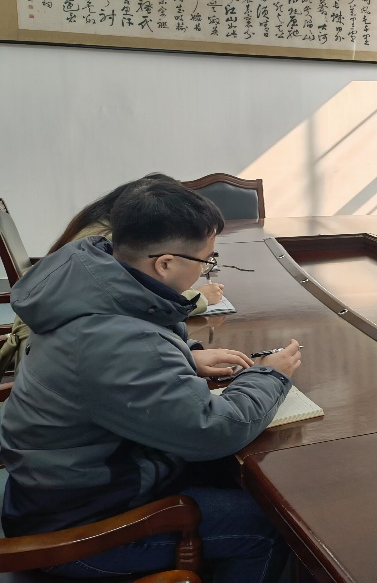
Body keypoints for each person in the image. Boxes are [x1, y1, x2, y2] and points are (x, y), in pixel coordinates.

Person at [0, 179, 300, 582]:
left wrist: (186, 355)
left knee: (233, 481)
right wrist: (271, 375)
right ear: (165, 264)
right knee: (268, 525)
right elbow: (214, 430)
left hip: (62, 488)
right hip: (77, 528)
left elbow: (129, 348)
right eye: (206, 260)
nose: (206, 269)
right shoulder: (118, 341)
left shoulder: (93, 282)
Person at [0, 174, 224, 375]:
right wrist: (199, 299)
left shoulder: (103, 232)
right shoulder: (106, 240)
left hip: (49, 345)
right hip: (51, 354)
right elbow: (131, 307)